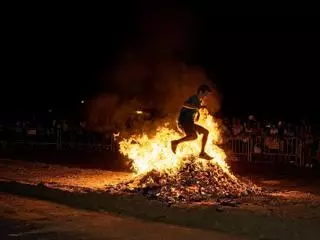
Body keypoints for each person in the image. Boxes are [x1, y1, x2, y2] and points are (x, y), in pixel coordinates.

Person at [171, 84, 213, 160]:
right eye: (206, 93)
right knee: (194, 136)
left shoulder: (200, 101)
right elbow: (184, 104)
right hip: (184, 121)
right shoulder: (194, 98)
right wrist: (196, 108)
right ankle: (175, 142)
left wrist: (198, 114)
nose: (207, 96)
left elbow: (194, 109)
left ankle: (202, 153)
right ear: (200, 92)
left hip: (190, 122)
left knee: (206, 132)